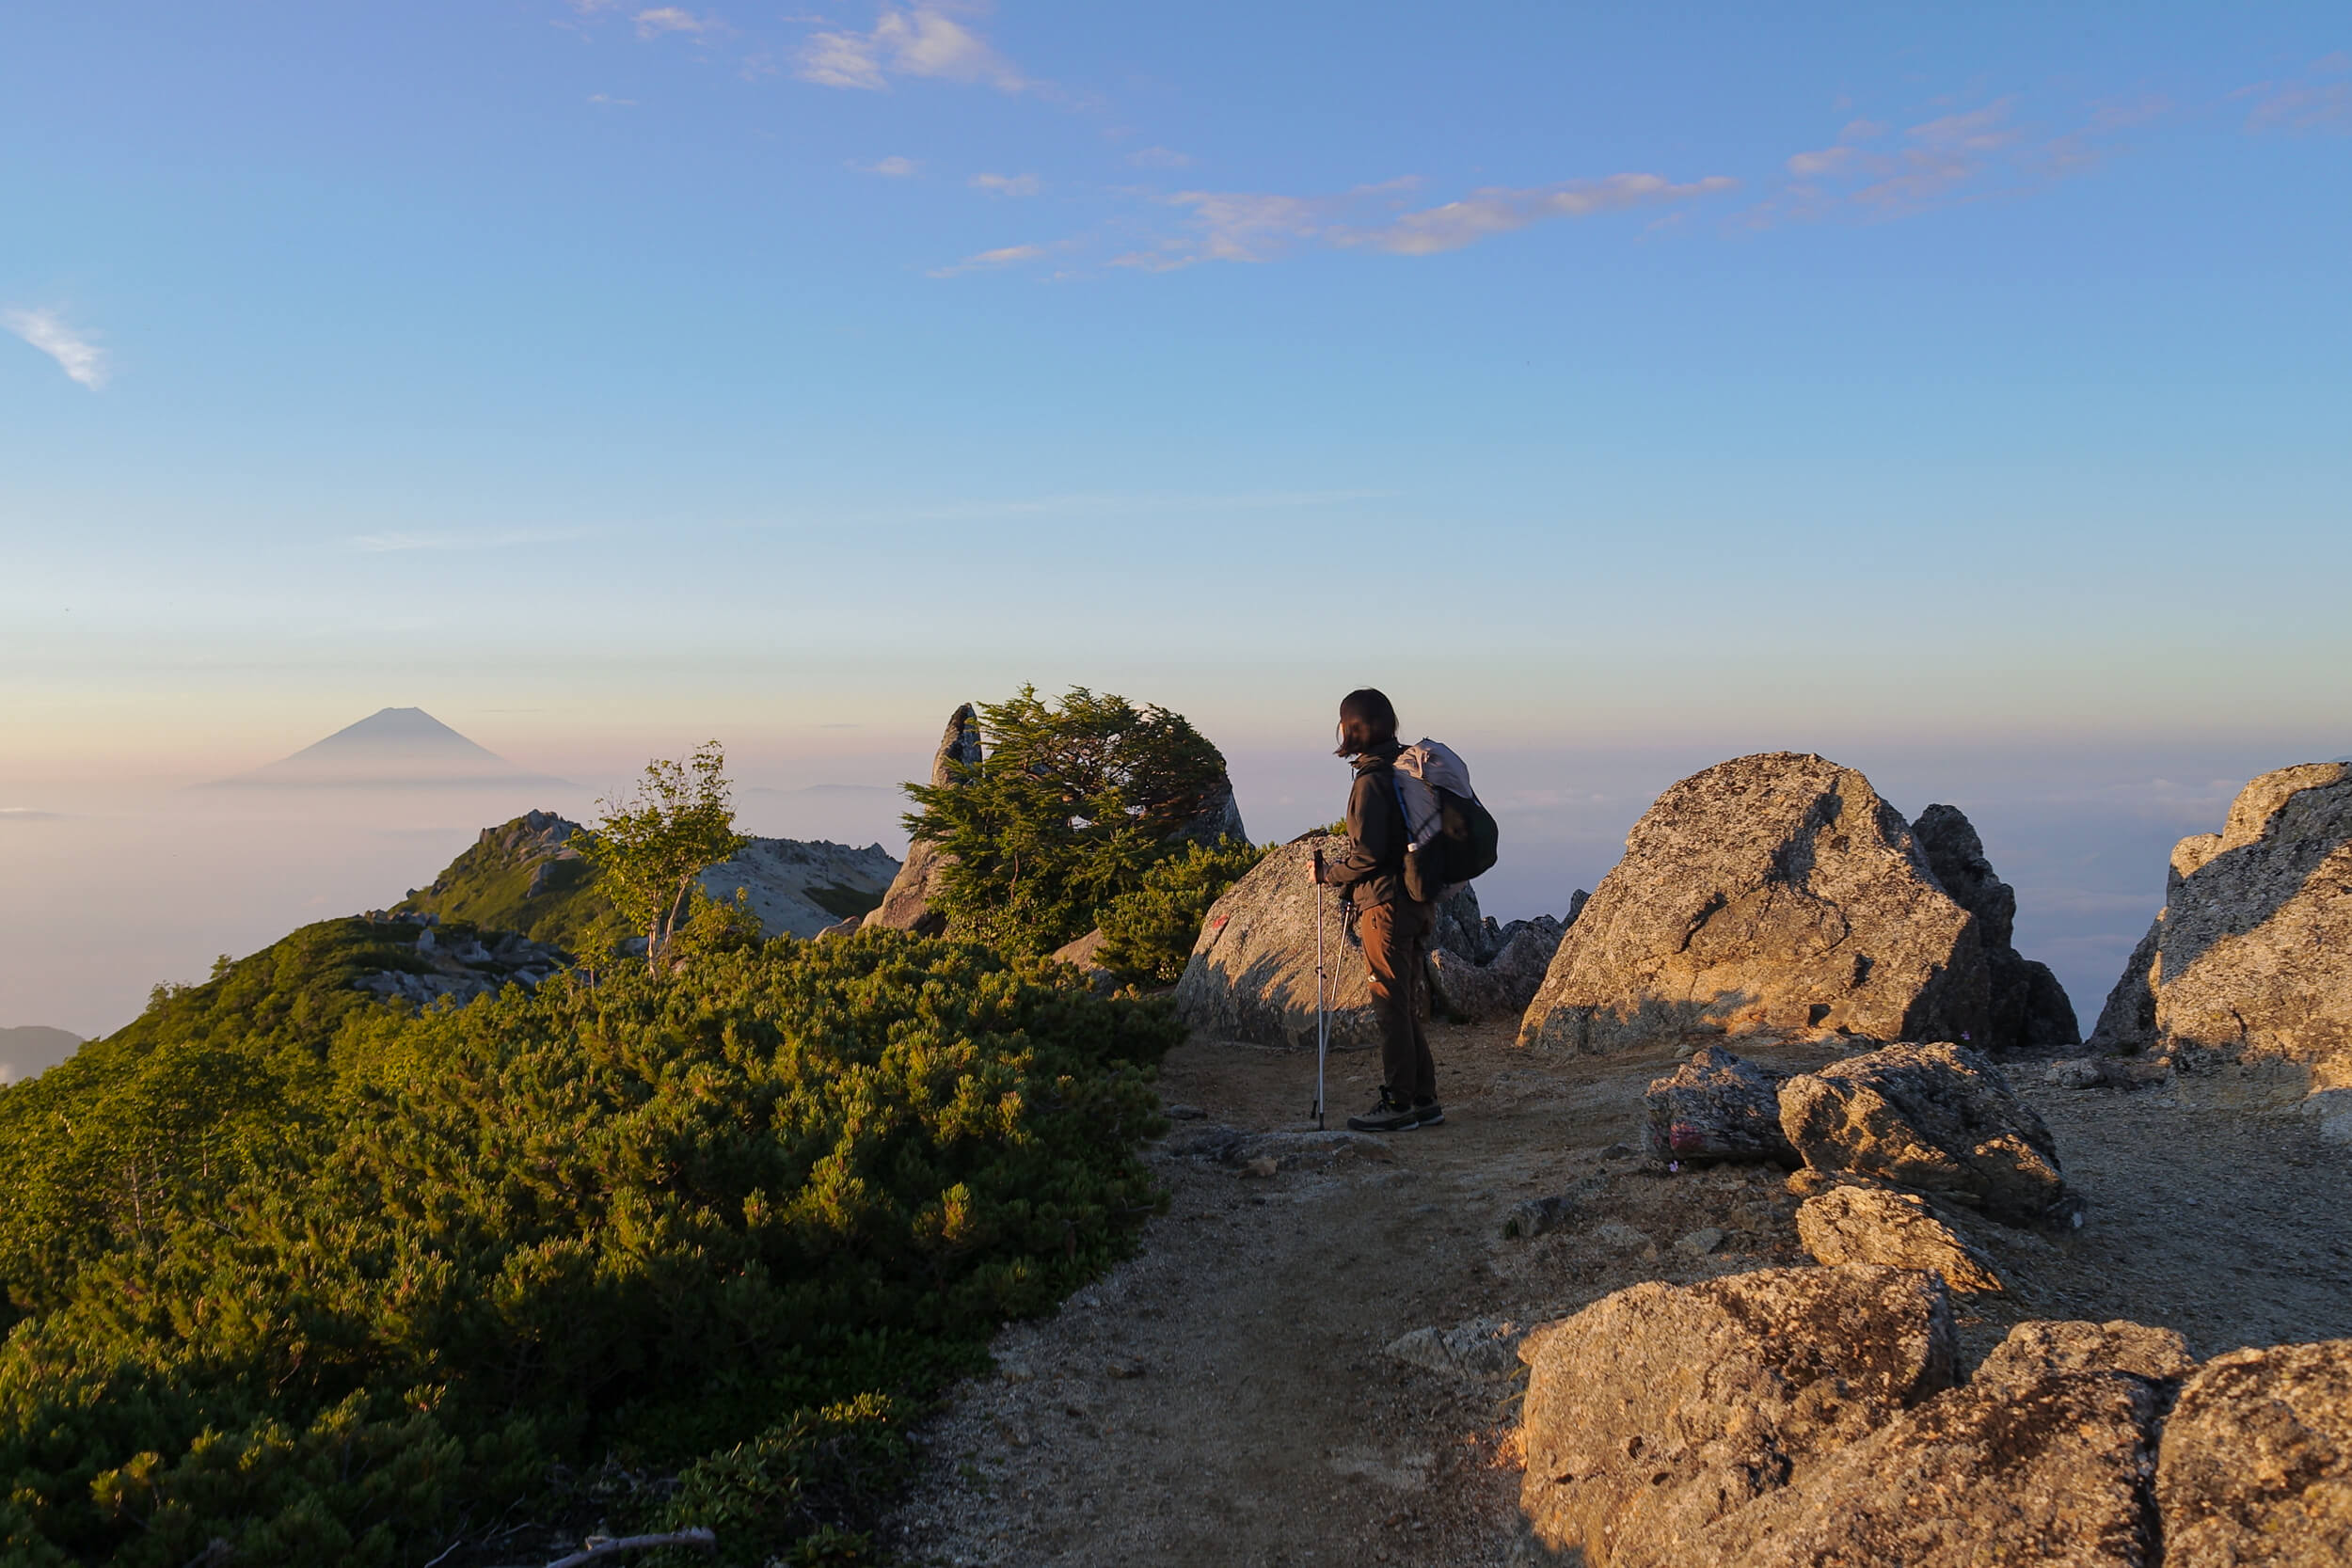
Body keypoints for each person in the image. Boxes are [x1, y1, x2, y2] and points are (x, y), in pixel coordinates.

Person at [1310, 688, 1442, 1132]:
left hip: (1384, 906)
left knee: (1389, 1004)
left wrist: (1329, 875)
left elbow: (1367, 855)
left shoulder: (1370, 781)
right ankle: (1424, 1099)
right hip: (1416, 900)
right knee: (1403, 1003)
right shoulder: (1401, 769)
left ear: (1352, 729)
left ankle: (1400, 1103)